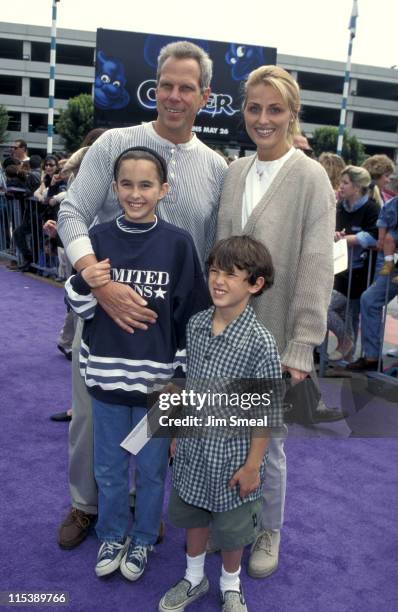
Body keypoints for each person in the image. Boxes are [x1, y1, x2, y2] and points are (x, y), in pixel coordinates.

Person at [56, 40, 227, 549]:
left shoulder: (217, 168)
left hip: (169, 333)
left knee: (159, 428)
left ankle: (147, 508)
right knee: (92, 419)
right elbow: (72, 213)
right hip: (104, 320)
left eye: (186, 88)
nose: (174, 96)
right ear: (156, 87)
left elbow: (211, 250)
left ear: (204, 95)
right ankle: (86, 505)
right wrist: (100, 284)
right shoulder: (114, 144)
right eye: (167, 85)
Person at [216, 65, 337, 579]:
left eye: (275, 109)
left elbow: (315, 263)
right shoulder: (235, 171)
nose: (263, 119)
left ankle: (269, 527)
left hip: (277, 337)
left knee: (271, 441)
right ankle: (229, 517)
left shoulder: (310, 178)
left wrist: (302, 344)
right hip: (225, 332)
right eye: (254, 108)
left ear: (292, 113)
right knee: (222, 430)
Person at [65, 146, 207, 580]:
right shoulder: (99, 239)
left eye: (146, 184)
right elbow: (77, 303)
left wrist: (181, 385)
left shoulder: (178, 244)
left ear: (164, 189)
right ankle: (111, 533)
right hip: (106, 383)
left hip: (158, 391)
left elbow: (190, 320)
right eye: (126, 184)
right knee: (107, 468)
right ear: (113, 187)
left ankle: (143, 539)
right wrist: (84, 282)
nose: (136, 193)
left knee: (149, 471)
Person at [159, 236, 283, 612]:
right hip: (195, 447)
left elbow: (265, 412)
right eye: (214, 271)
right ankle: (194, 577)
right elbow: (187, 386)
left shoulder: (261, 343)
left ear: (255, 284)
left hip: (234, 457)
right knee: (193, 513)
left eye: (231, 274)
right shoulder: (196, 326)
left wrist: (252, 465)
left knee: (232, 529)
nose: (218, 280)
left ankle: (231, 584)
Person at [333, 166, 381, 350]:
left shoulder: (371, 208)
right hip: (340, 268)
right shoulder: (340, 207)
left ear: (358, 186)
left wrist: (347, 239)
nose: (341, 186)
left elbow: (374, 236)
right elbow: (334, 230)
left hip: (360, 272)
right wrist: (336, 235)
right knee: (346, 314)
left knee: (334, 310)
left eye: (345, 183)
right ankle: (347, 353)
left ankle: (347, 344)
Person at [377, 195, 398, 281]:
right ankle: (388, 263)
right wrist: (381, 238)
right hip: (396, 232)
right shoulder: (392, 203)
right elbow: (383, 219)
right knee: (389, 238)